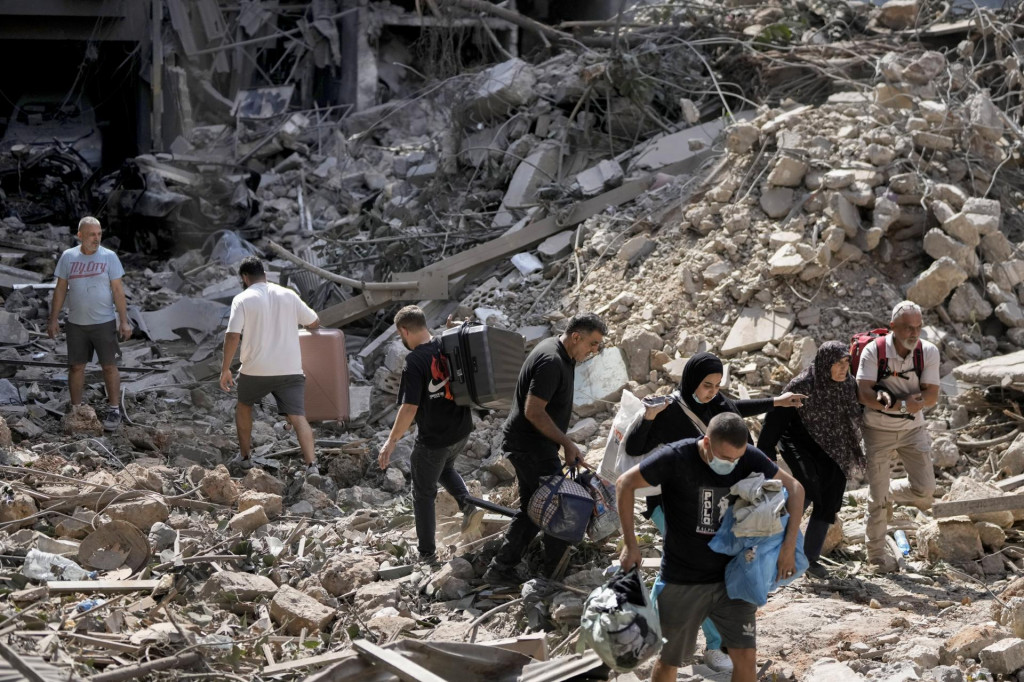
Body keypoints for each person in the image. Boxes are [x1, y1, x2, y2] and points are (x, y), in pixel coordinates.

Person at [622, 351, 805, 673]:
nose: (712, 391)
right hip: (672, 507)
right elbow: (633, 450)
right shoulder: (669, 412)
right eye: (707, 385)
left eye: (718, 385)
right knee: (687, 569)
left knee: (710, 586)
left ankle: (701, 640)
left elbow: (738, 410)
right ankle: (683, 634)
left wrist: (776, 401)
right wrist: (648, 417)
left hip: (721, 527)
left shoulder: (721, 411)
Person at [482, 312, 607, 583]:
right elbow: (534, 411)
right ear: (576, 337)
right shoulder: (552, 360)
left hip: (533, 444)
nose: (595, 350)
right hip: (530, 446)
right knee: (561, 506)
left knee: (533, 508)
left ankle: (501, 568)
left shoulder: (563, 353)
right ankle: (553, 575)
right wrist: (566, 443)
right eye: (593, 343)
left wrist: (561, 444)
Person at [377, 306, 484, 564]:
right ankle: (469, 506)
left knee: (423, 492)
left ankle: (426, 553)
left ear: (403, 330)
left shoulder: (414, 361)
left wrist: (391, 442)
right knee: (444, 467)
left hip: (435, 439)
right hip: (461, 431)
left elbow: (409, 407)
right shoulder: (446, 344)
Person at [757, 341, 864, 579]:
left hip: (831, 446)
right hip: (798, 440)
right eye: (837, 363)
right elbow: (776, 419)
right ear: (825, 363)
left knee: (831, 494)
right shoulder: (803, 384)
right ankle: (774, 545)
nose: (843, 368)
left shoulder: (848, 385)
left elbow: (855, 416)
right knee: (807, 485)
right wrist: (765, 453)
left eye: (846, 362)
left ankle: (809, 559)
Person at [856, 301, 939, 573]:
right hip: (878, 431)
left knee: (925, 490)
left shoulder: (927, 352)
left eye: (918, 327)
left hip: (912, 430)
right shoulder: (874, 351)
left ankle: (888, 491)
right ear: (892, 327)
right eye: (907, 327)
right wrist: (903, 404)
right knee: (876, 501)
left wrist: (903, 404)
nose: (913, 333)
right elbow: (863, 393)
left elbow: (931, 395)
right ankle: (876, 557)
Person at [220, 256, 321, 475]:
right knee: (298, 416)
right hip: (290, 369)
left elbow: (232, 336)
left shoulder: (242, 299)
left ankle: (246, 458)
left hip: (256, 369)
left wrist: (225, 368)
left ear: (245, 278)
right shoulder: (289, 294)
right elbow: (313, 321)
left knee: (244, 406)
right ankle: (312, 466)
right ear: (265, 274)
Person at [47, 216, 132, 432]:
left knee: (109, 366)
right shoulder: (68, 257)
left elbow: (118, 291)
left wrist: (124, 321)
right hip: (76, 323)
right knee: (76, 367)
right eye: (92, 234)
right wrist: (53, 318)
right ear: (80, 236)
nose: (96, 238)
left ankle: (114, 409)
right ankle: (76, 410)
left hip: (104, 322)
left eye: (99, 234)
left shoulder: (109, 257)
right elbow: (60, 289)